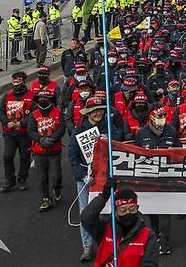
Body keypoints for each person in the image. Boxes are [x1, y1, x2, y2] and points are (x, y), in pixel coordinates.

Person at [69, 96, 123, 262]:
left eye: (100, 110)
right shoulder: (78, 131)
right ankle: (87, 246)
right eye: (95, 111)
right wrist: (83, 176)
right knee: (85, 212)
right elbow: (72, 156)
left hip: (105, 176)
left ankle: (105, 244)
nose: (99, 113)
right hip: (86, 178)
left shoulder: (109, 126)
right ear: (88, 113)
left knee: (106, 210)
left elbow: (119, 145)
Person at [135, 105, 181, 255]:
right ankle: (155, 235)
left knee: (165, 212)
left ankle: (165, 242)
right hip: (149, 179)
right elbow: (135, 155)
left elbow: (179, 152)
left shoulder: (171, 131)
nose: (163, 119)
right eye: (160, 116)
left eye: (164, 116)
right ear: (152, 117)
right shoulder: (142, 134)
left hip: (167, 178)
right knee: (153, 212)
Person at [81, 185, 159, 267]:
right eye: (123, 210)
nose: (128, 213)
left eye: (132, 209)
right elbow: (86, 218)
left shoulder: (148, 236)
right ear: (115, 212)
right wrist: (103, 197)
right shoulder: (104, 229)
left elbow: (150, 264)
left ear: (137, 208)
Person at [27, 89, 65, 212]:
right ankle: (45, 199)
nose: (43, 101)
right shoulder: (33, 115)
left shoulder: (58, 112)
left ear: (51, 100)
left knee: (56, 176)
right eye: (41, 99)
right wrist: (40, 140)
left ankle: (57, 188)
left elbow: (61, 129)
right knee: (42, 177)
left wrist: (52, 139)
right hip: (38, 151)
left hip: (54, 151)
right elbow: (31, 131)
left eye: (46, 99)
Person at [0, 72, 34, 193]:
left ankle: (22, 179)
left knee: (25, 157)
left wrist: (22, 124)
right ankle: (10, 180)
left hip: (25, 133)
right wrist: (6, 122)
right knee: (7, 156)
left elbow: (34, 114)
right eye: (14, 81)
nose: (16, 84)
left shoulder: (32, 96)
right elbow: (0, 111)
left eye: (18, 81)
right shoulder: (7, 96)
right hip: (9, 133)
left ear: (24, 81)